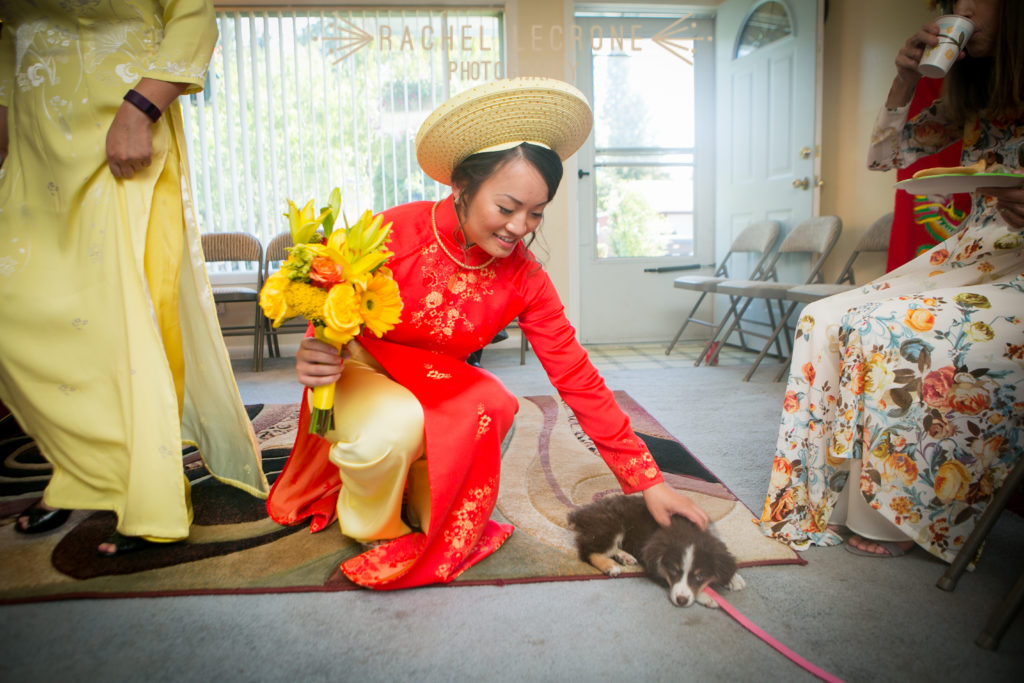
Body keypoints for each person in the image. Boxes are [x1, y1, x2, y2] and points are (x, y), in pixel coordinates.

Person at [267, 77, 710, 590]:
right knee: (395, 426)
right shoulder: (392, 235)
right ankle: (374, 526)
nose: (520, 227)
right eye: (507, 208)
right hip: (363, 371)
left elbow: (577, 376)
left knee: (494, 402)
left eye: (536, 213)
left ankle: (415, 480)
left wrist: (647, 481)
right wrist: (315, 348)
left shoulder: (524, 278)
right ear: (462, 186)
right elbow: (329, 302)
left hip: (437, 384)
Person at [759, 0, 1023, 561]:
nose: (961, 9)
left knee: (885, 326)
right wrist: (906, 79)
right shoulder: (978, 89)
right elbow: (886, 158)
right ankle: (819, 503)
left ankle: (890, 516)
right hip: (976, 247)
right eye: (952, 1)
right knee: (821, 316)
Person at [0, 2, 268, 554]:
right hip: (36, 144)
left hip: (120, 134)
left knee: (122, 323)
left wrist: (142, 107)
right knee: (21, 315)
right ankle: (82, 470)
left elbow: (193, 16)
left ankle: (148, 498)